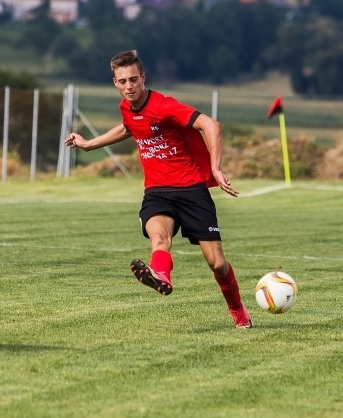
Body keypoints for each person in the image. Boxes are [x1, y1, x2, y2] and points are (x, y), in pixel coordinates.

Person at [65, 50, 252, 328]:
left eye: (133, 80)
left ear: (143, 78)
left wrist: (215, 167)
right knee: (159, 239)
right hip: (157, 191)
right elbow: (129, 127)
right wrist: (89, 144)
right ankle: (161, 276)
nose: (129, 86)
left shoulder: (164, 106)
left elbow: (211, 125)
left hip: (191, 191)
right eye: (122, 81)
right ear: (115, 83)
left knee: (217, 264)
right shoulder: (126, 107)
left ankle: (238, 310)